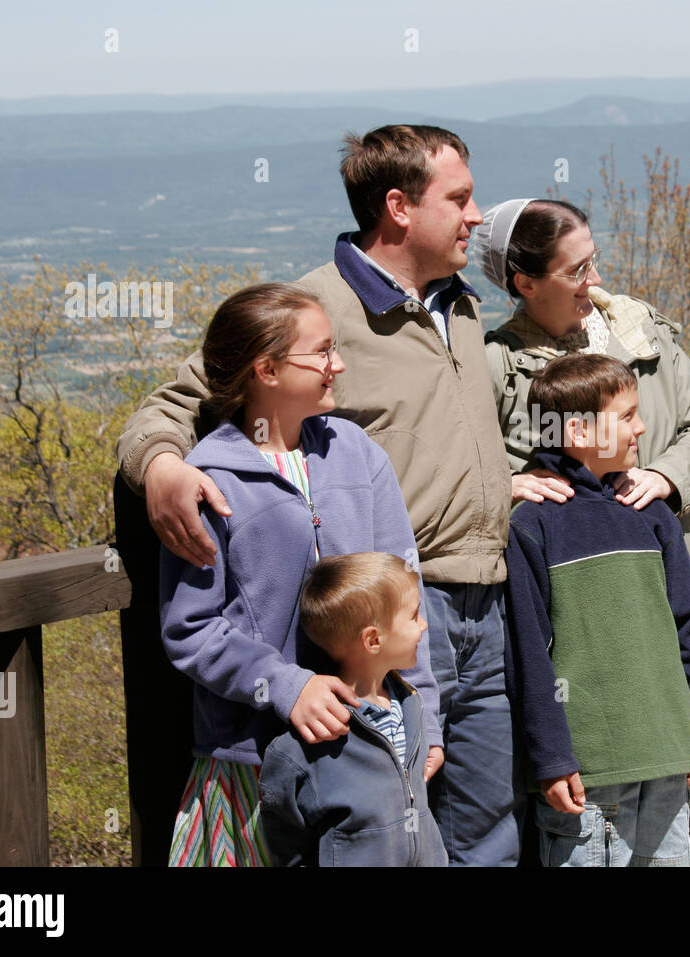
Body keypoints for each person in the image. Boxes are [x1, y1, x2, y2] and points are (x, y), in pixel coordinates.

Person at [118, 125, 519, 866]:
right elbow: (183, 398)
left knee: (485, 832)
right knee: (374, 829)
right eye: (460, 198)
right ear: (399, 206)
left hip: (481, 606)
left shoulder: (461, 303)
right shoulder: (313, 308)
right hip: (385, 617)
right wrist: (163, 466)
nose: (475, 215)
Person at [473, 198, 690, 865]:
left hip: (666, 605)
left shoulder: (640, 334)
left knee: (689, 824)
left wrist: (666, 475)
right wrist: (502, 484)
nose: (594, 278)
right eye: (576, 268)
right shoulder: (495, 363)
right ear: (526, 282)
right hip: (577, 635)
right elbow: (464, 456)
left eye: (593, 261)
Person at [158, 283, 440, 866]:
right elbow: (191, 629)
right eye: (322, 353)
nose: (338, 365)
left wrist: (425, 714)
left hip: (367, 751)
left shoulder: (357, 454)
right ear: (266, 369)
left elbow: (406, 592)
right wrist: (286, 687)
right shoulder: (211, 479)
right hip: (253, 763)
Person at [504, 353, 690, 866]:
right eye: (625, 417)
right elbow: (529, 655)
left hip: (666, 756)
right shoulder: (532, 526)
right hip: (588, 774)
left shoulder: (651, 515)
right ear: (577, 431)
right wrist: (551, 759)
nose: (641, 427)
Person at [260, 553, 448, 867]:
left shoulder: (411, 707)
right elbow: (286, 836)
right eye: (414, 615)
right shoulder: (312, 742)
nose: (424, 625)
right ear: (373, 639)